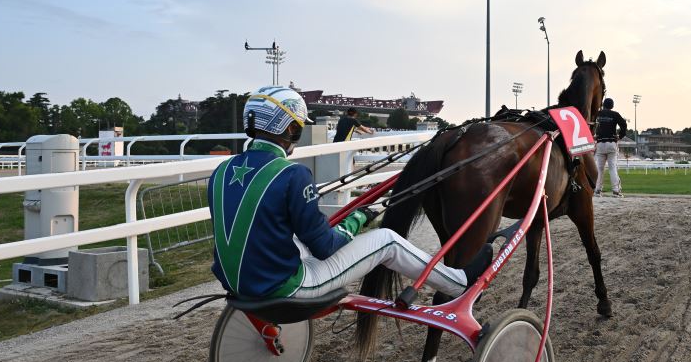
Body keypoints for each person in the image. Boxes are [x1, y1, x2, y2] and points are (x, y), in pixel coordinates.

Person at [207, 86, 492, 301]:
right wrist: (359, 218)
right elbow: (325, 247)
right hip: (285, 287)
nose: (295, 136)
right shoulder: (292, 174)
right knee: (387, 240)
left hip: (234, 283)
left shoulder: (220, 172)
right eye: (296, 128)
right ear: (284, 127)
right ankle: (457, 281)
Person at [593, 97, 628, 198]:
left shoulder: (598, 114)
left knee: (600, 169)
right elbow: (624, 124)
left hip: (600, 143)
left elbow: (590, 123)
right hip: (611, 143)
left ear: (603, 105)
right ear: (612, 106)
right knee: (612, 168)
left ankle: (597, 190)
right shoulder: (615, 114)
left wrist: (593, 135)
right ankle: (616, 191)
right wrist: (620, 136)